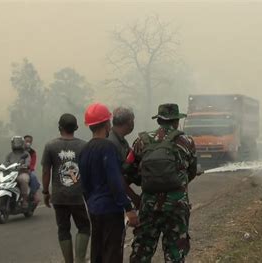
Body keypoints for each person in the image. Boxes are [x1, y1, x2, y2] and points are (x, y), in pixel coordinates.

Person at [130, 103, 198, 263]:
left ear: (159, 120)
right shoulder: (186, 142)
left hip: (148, 206)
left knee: (141, 252)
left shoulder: (141, 141)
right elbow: (192, 172)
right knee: (175, 253)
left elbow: (130, 172)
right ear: (176, 121)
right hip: (176, 207)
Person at [79, 102, 138, 263]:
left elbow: (83, 184)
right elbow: (115, 179)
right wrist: (128, 208)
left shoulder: (84, 150)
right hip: (111, 209)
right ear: (107, 123)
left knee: (97, 252)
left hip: (94, 209)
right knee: (112, 252)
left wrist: (91, 203)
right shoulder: (108, 147)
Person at [41, 114, 90, 263]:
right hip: (77, 195)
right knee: (84, 227)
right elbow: (88, 171)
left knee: (63, 229)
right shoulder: (84, 146)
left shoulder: (50, 146)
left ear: (60, 127)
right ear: (76, 128)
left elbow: (45, 171)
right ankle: (80, 259)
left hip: (59, 196)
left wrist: (45, 192)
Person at [107, 107, 140, 208]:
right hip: (110, 197)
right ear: (130, 122)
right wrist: (133, 197)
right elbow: (116, 176)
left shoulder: (121, 140)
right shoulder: (112, 143)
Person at [5, 136, 31, 208]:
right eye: (15, 143)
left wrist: (24, 166)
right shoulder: (9, 155)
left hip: (22, 173)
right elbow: (6, 163)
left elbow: (28, 163)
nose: (17, 144)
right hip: (11, 174)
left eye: (19, 142)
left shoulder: (26, 154)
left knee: (23, 179)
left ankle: (25, 200)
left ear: (22, 143)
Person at [24, 135, 41, 203]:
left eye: (29, 141)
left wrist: (29, 169)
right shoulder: (18, 150)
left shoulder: (32, 152)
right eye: (26, 141)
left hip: (27, 170)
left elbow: (33, 163)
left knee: (33, 177)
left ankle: (32, 194)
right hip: (17, 170)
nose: (28, 142)